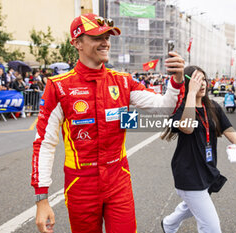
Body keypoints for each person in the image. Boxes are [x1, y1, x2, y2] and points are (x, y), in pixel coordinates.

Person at [31, 13, 185, 233]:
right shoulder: (58, 86)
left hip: (118, 179)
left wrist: (176, 81)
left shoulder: (123, 81)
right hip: (80, 184)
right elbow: (44, 143)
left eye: (107, 36)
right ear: (77, 43)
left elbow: (164, 107)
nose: (105, 42)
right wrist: (42, 199)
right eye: (97, 37)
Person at [160, 66, 236, 233]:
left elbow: (228, 129)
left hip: (207, 170)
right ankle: (169, 225)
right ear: (188, 84)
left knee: (190, 206)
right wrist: (190, 94)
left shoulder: (213, 107)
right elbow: (188, 128)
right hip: (188, 173)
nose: (202, 83)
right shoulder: (179, 109)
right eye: (197, 80)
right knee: (211, 227)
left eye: (204, 79)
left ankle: (168, 224)